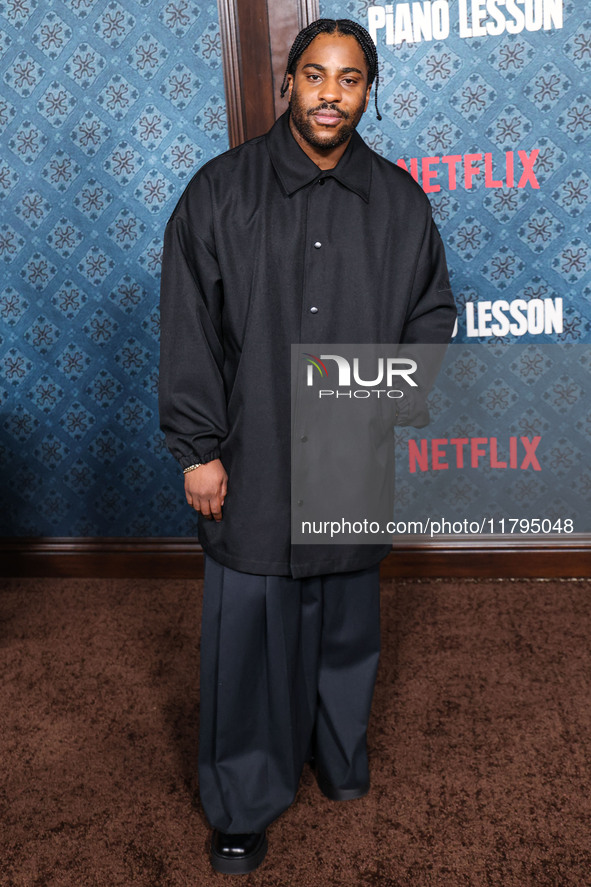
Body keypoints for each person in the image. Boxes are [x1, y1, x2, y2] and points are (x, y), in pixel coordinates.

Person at [158, 18, 456, 875]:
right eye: (315, 75)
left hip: (346, 452)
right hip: (249, 453)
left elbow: (431, 312)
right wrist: (198, 448)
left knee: (344, 622)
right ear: (287, 82)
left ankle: (335, 751)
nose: (332, 93)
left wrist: (383, 403)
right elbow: (189, 330)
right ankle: (244, 796)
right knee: (250, 630)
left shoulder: (400, 201)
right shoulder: (219, 192)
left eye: (350, 78)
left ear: (369, 90)